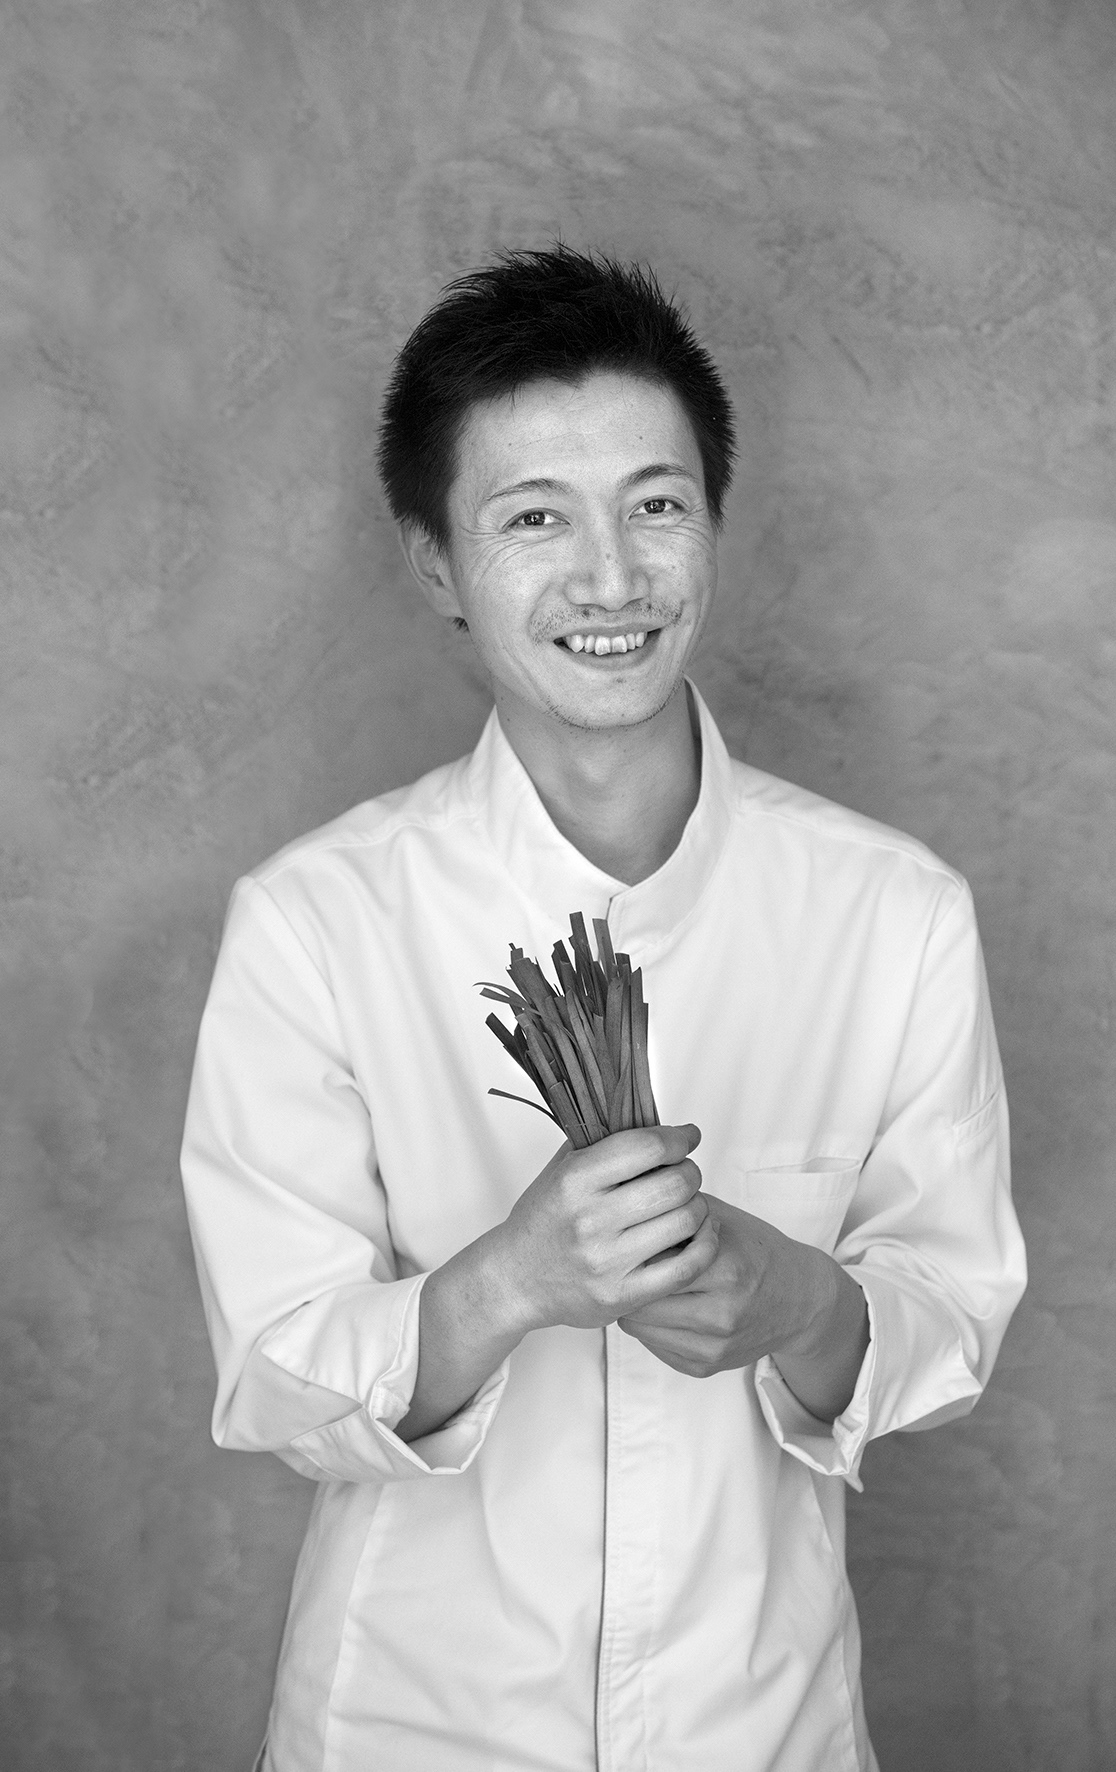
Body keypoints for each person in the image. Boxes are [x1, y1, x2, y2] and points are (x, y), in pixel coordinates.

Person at [180, 246, 1026, 1772]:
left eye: (655, 504)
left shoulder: (893, 913)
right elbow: (275, 1375)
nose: (612, 579)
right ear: (436, 564)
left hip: (762, 1723)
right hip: (412, 1728)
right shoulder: (316, 922)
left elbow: (952, 1320)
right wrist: (510, 1283)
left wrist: (798, 1303)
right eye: (533, 518)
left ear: (713, 522)